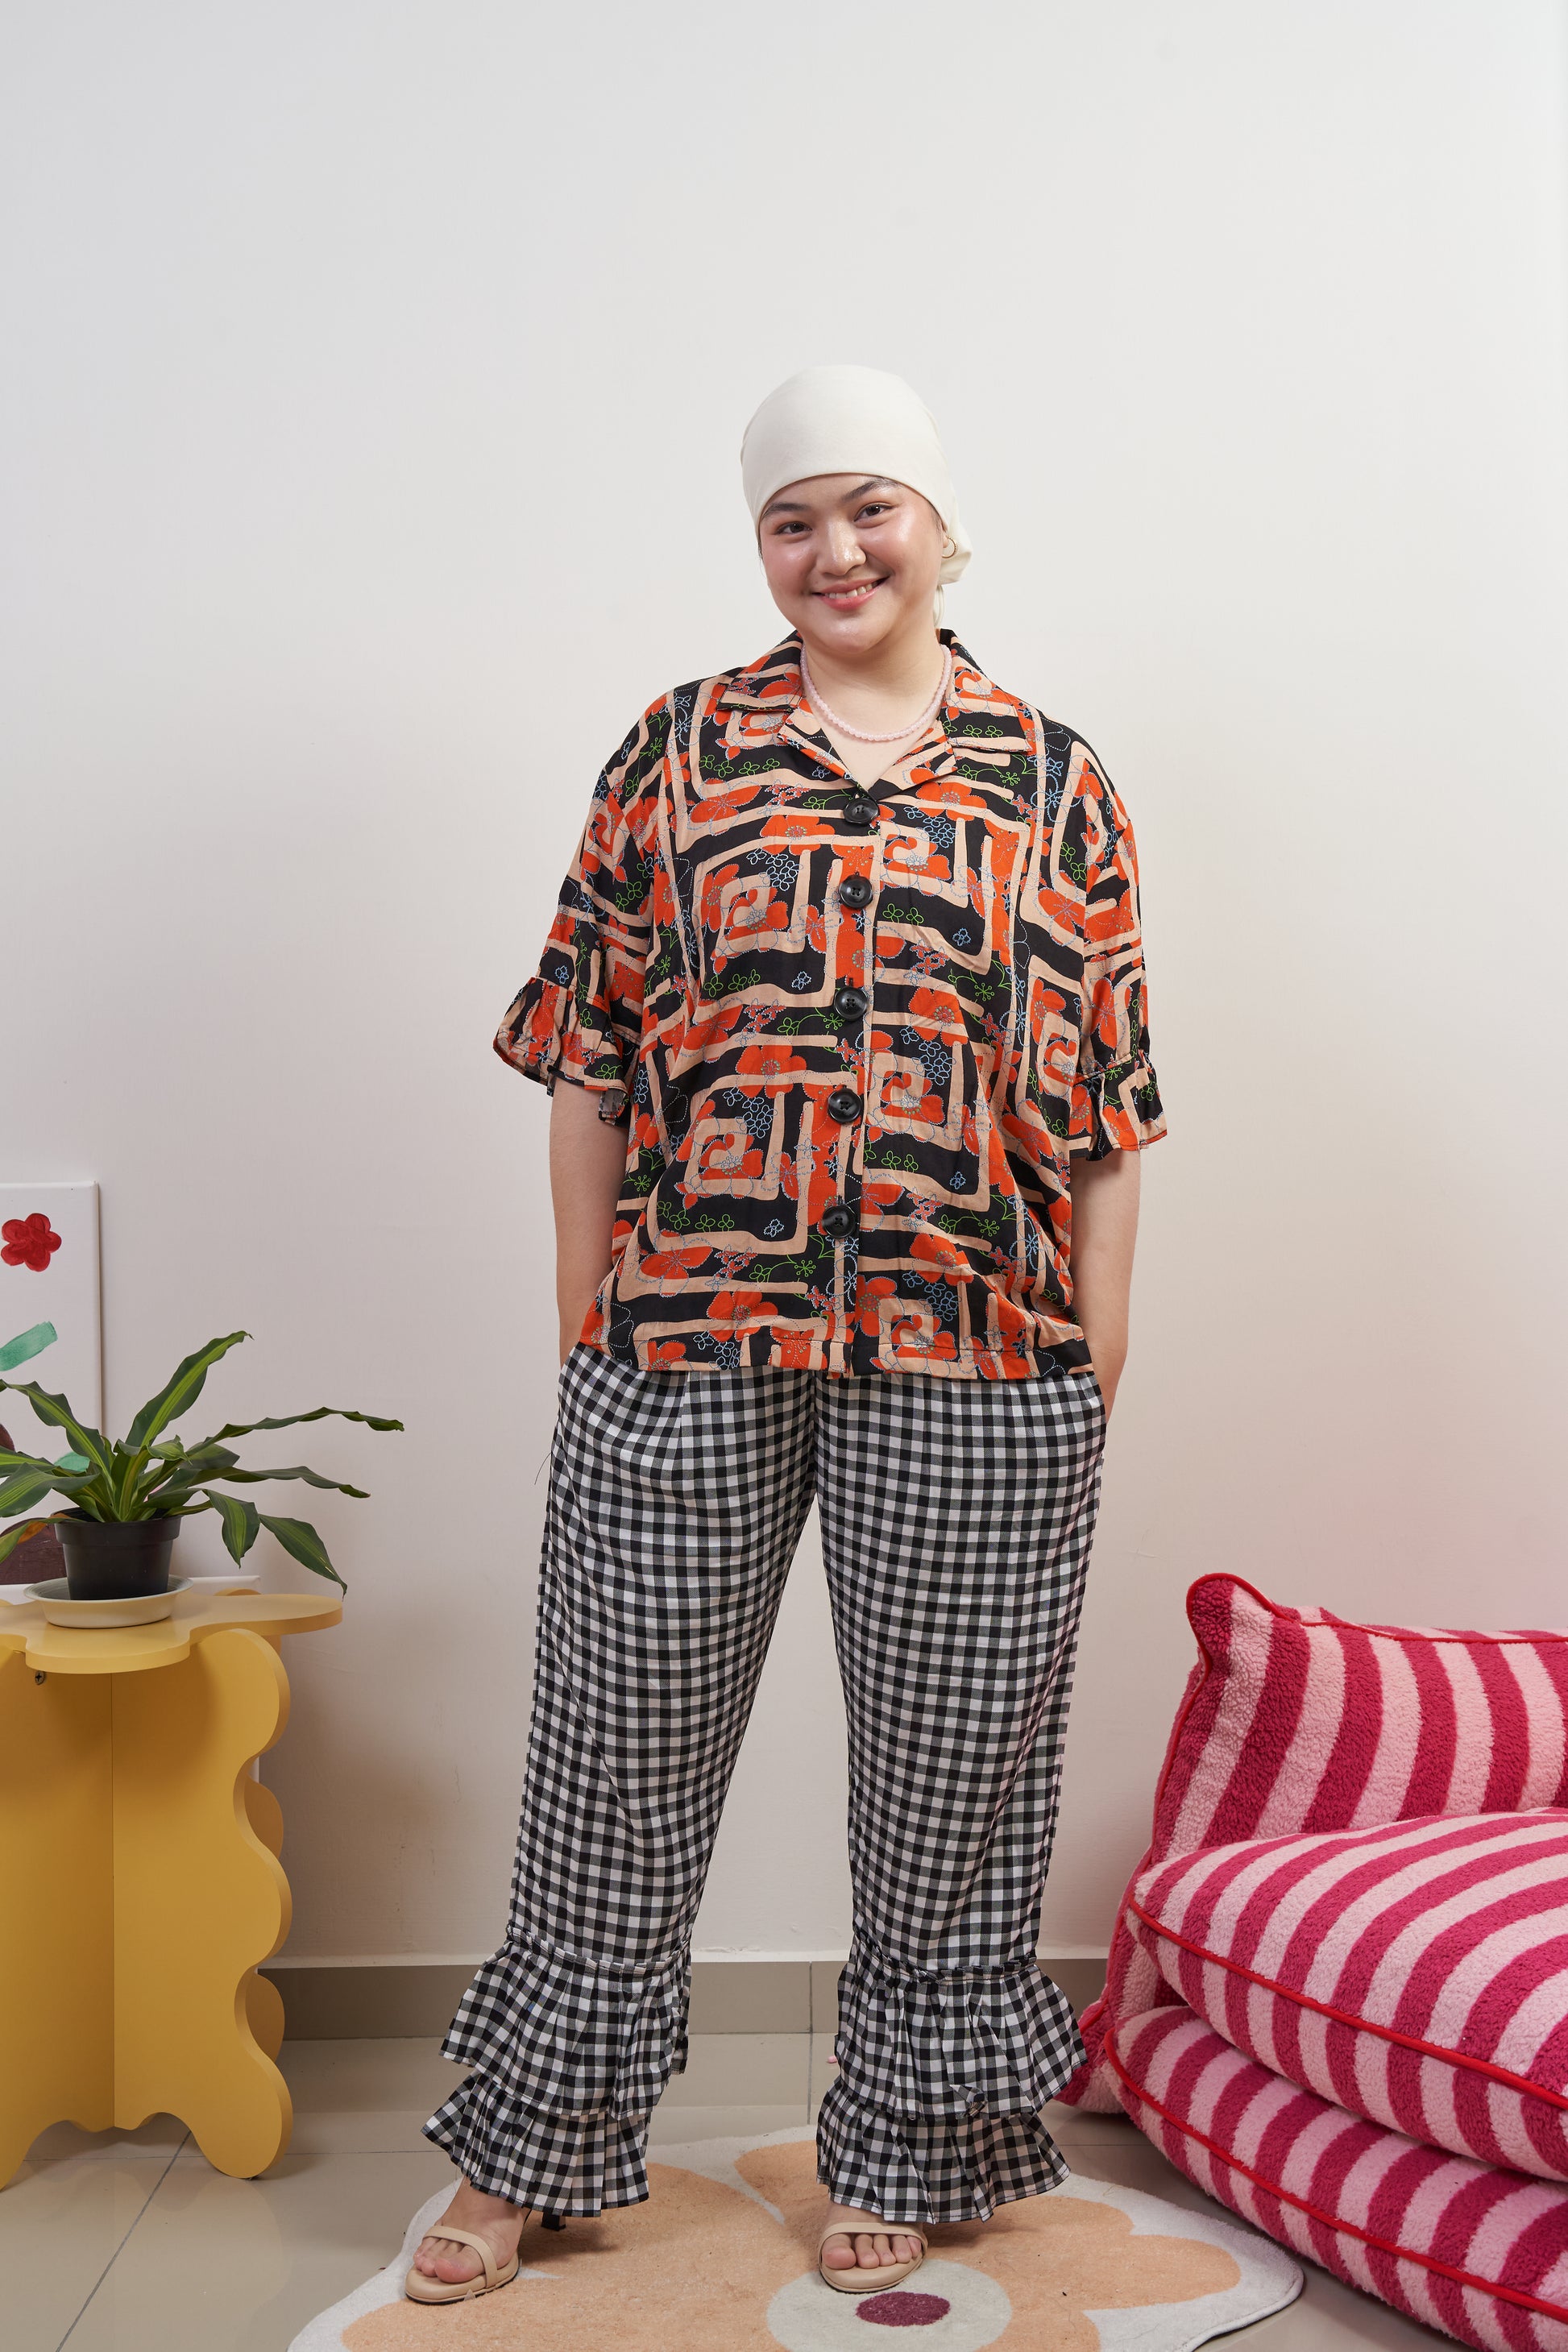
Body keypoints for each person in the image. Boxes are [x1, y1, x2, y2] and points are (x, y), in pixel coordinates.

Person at [406, 363, 1166, 2304]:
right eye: (790, 520)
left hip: (980, 1350)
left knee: (950, 1778)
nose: (833, 551)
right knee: (616, 1754)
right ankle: (534, 2148)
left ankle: (907, 2134)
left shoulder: (1055, 780)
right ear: (760, 546)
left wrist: (1095, 1349)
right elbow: (583, 1052)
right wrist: (586, 1314)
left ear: (934, 521)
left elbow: (1106, 1102)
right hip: (685, 1334)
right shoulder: (675, 750)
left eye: (867, 509)